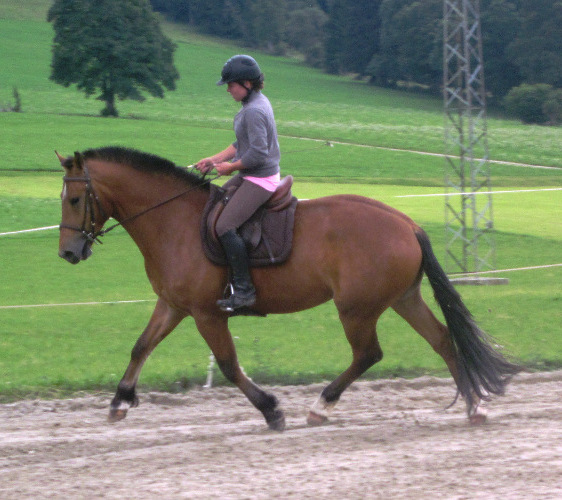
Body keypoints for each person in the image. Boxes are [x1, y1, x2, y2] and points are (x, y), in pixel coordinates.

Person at [195, 55, 281, 312]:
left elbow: (258, 153)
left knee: (224, 225)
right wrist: (214, 159)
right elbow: (239, 144)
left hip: (261, 179)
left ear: (246, 83)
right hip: (249, 175)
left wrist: (229, 168)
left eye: (231, 85)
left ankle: (244, 291)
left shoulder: (254, 110)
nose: (229, 90)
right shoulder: (252, 104)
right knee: (213, 202)